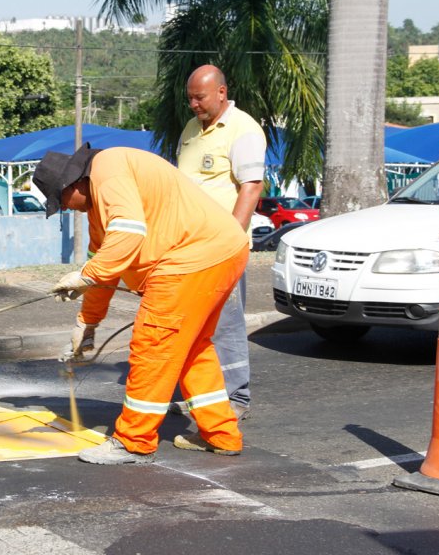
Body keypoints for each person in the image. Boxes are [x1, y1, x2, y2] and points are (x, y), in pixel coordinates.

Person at [34, 144, 249, 465]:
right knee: (192, 348)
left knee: (153, 345)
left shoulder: (106, 170)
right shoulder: (98, 201)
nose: (68, 209)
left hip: (190, 259)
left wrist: (85, 274)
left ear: (73, 184)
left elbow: (128, 231)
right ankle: (220, 433)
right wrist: (87, 324)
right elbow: (106, 269)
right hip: (221, 250)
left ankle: (134, 440)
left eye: (62, 202)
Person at [173, 64, 267, 421]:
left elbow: (251, 186)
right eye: (190, 99)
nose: (193, 105)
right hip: (189, 248)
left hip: (221, 249)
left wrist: (229, 240)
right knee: (193, 324)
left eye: (199, 97)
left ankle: (235, 399)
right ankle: (202, 395)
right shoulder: (191, 130)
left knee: (225, 325)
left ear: (221, 92)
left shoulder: (243, 129)